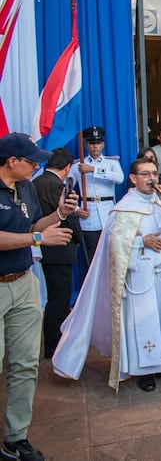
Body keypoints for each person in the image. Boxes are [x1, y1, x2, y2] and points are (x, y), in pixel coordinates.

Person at [53, 158, 161, 391]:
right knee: (143, 323)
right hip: (139, 278)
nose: (151, 179)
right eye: (145, 174)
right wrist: (141, 241)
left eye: (154, 173)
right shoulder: (124, 207)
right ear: (133, 179)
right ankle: (144, 373)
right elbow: (114, 244)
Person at [0, 133, 77, 461]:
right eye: (31, 161)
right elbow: (26, 235)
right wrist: (37, 238)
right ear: (11, 161)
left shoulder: (27, 188)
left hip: (24, 283)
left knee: (26, 363)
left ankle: (16, 437)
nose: (37, 166)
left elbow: (33, 225)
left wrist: (57, 214)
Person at [33, 148, 83, 358]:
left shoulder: (37, 182)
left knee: (55, 295)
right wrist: (77, 238)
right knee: (59, 298)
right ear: (66, 168)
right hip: (59, 246)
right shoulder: (55, 185)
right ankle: (54, 344)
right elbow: (67, 216)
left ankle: (53, 342)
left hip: (47, 247)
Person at [68, 126, 124, 264]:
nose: (95, 147)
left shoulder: (111, 163)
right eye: (92, 143)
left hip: (108, 212)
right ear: (86, 145)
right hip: (89, 214)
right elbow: (66, 189)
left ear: (103, 144)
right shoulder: (78, 166)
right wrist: (76, 210)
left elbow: (119, 178)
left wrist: (94, 170)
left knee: (113, 255)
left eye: (98, 143)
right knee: (92, 258)